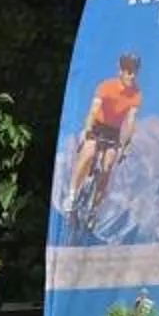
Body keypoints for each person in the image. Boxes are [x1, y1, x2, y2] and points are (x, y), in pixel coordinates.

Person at [66, 49, 142, 217]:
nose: (132, 75)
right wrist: (87, 130)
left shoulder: (136, 94)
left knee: (107, 167)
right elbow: (93, 110)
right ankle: (72, 195)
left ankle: (94, 208)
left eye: (135, 71)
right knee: (88, 152)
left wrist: (126, 145)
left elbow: (130, 121)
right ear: (120, 71)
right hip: (97, 125)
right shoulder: (106, 86)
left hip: (113, 131)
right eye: (129, 71)